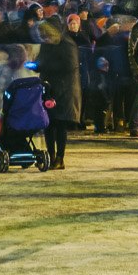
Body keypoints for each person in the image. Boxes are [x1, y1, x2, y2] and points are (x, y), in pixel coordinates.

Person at [35, 16, 80, 169]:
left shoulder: (67, 44)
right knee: (49, 124)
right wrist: (36, 65)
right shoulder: (47, 44)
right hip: (49, 88)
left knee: (60, 124)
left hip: (64, 89)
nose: (44, 38)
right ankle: (51, 156)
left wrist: (45, 65)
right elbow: (41, 61)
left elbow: (70, 66)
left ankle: (60, 157)